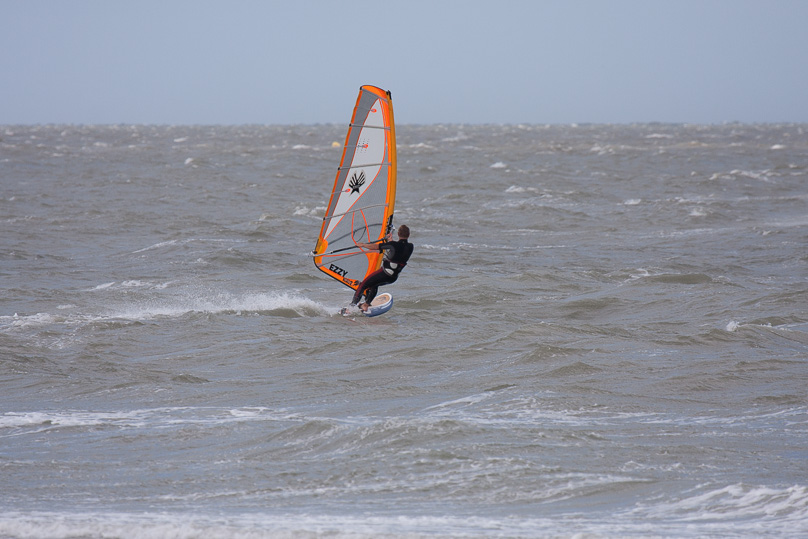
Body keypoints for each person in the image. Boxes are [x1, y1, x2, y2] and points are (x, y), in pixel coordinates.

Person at [350, 224, 413, 312]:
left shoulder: (393, 245)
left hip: (384, 273)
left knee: (363, 284)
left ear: (398, 234)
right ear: (409, 235)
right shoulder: (410, 246)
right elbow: (398, 249)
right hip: (393, 277)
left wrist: (363, 245)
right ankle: (366, 305)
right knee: (374, 284)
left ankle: (351, 306)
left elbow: (376, 246)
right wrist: (390, 241)